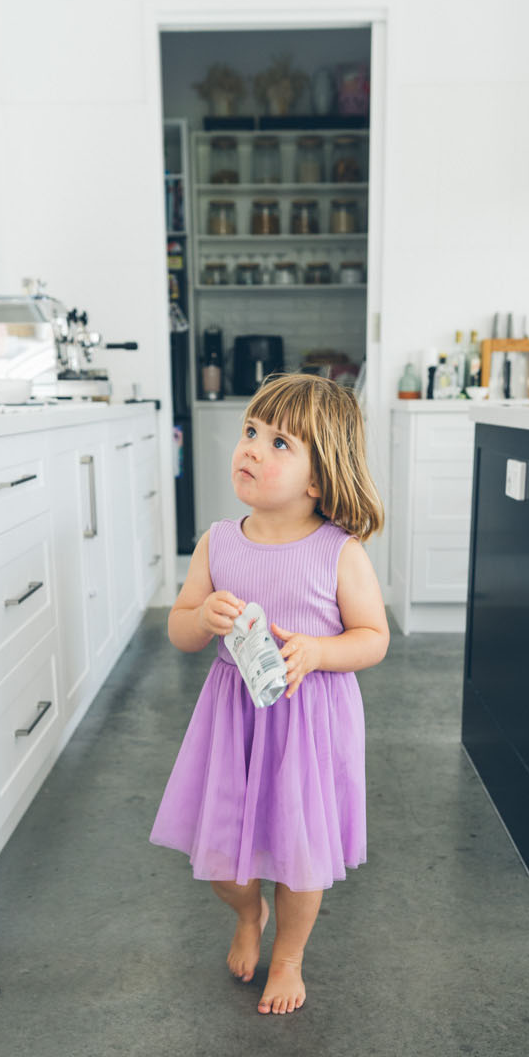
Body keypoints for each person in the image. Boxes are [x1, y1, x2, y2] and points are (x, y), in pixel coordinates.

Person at [150, 373, 389, 1014]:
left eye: (278, 442)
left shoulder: (339, 552)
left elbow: (373, 638)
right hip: (234, 720)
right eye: (250, 432)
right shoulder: (218, 542)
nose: (251, 448)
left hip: (308, 723)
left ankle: (289, 957)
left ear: (318, 478)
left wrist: (319, 651)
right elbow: (179, 627)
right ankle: (247, 913)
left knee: (300, 854)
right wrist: (201, 621)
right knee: (227, 862)